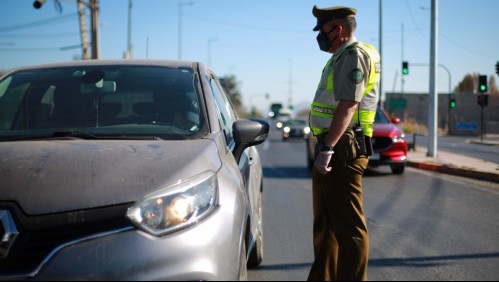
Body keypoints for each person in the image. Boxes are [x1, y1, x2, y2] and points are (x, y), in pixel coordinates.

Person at [307, 5, 381, 281]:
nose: (319, 36)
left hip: (342, 147)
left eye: (323, 30)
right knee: (325, 225)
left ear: (337, 29)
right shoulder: (340, 56)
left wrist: (328, 148)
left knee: (349, 229)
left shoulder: (354, 56)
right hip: (331, 144)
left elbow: (348, 106)